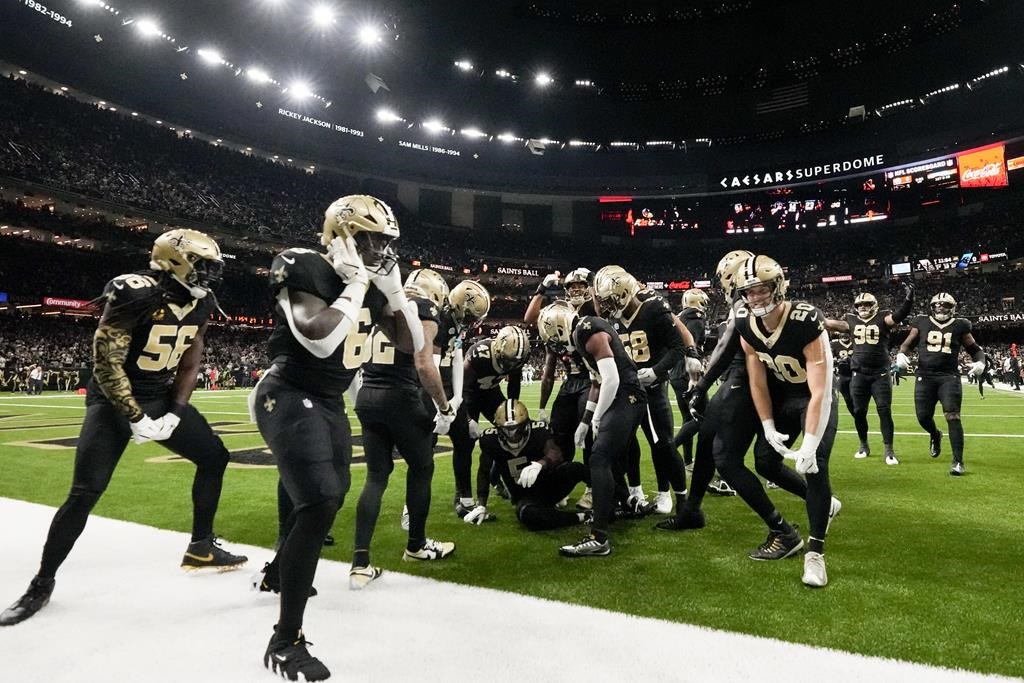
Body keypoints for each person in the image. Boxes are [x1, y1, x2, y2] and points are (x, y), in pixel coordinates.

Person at [1, 229, 247, 627]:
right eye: (204, 266)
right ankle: (41, 583)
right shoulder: (135, 292)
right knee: (85, 492)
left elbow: (191, 358)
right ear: (175, 262)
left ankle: (201, 546)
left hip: (160, 396)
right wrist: (134, 415)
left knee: (214, 457)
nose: (211, 276)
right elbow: (106, 363)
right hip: (113, 401)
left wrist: (176, 409)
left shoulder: (202, 303)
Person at [252, 195, 422, 681]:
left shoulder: (368, 283)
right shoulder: (300, 263)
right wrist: (359, 283)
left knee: (328, 497)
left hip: (327, 400)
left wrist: (395, 294)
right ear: (342, 234)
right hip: (287, 391)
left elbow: (414, 345)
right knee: (321, 499)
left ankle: (278, 572)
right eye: (372, 239)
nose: (381, 249)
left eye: (387, 241)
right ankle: (285, 641)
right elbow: (318, 337)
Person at [733, 254, 839, 587]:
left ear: (777, 287)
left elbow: (820, 389)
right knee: (764, 462)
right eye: (749, 292)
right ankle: (822, 503)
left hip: (813, 397)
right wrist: (766, 424)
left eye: (761, 290)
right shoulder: (745, 325)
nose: (755, 298)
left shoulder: (805, 319)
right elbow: (757, 381)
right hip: (783, 399)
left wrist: (809, 441)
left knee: (814, 464)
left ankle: (816, 553)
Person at [349, 269, 457, 590]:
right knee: (422, 467)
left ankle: (359, 563)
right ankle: (416, 545)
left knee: (376, 477)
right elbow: (424, 365)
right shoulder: (425, 308)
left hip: (368, 392)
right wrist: (444, 407)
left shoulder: (378, 301)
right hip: (400, 395)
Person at [537, 301, 648, 557]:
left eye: (553, 336)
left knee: (599, 458)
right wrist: (586, 421)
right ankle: (620, 508)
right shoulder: (582, 331)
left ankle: (599, 538)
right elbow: (596, 381)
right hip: (626, 395)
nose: (554, 343)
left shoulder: (587, 331)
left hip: (625, 395)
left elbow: (611, 380)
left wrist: (596, 417)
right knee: (612, 458)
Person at [593, 265, 702, 515]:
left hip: (652, 387)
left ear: (622, 294)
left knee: (662, 443)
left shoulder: (653, 307)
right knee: (627, 442)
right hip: (628, 390)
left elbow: (677, 346)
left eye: (610, 300)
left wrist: (656, 371)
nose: (606, 306)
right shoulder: (614, 317)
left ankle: (671, 494)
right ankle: (635, 491)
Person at [526, 268, 598, 509]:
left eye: (581, 286)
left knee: (588, 435)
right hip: (570, 382)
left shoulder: (587, 315)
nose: (576, 290)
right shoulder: (554, 326)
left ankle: (591, 487)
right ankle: (563, 483)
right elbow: (547, 372)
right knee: (559, 434)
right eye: (572, 287)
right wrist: (542, 407)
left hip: (592, 379)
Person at [824, 283, 914, 465]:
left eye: (865, 304)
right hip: (859, 374)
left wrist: (909, 299)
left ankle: (889, 449)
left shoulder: (883, 319)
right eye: (859, 305)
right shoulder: (850, 321)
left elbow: (899, 316)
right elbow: (826, 322)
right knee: (858, 412)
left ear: (874, 305)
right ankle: (863, 444)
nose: (862, 308)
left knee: (884, 410)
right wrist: (808, 314)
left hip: (880, 374)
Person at [896, 292, 985, 476]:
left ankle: (958, 461)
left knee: (953, 416)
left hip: (949, 377)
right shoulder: (921, 321)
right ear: (932, 306)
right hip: (925, 376)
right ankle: (935, 434)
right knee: (922, 417)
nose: (941, 308)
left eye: (945, 305)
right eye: (937, 305)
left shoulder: (960, 325)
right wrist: (901, 354)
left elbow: (975, 350)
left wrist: (981, 362)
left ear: (952, 308)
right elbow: (907, 344)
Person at [455, 324, 531, 521]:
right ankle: (462, 498)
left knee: (511, 432)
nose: (510, 365)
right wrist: (468, 418)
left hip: (491, 394)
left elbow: (514, 387)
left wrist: (512, 411)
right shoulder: (480, 355)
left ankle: (499, 479)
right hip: (469, 395)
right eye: (507, 361)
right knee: (465, 444)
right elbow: (459, 389)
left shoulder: (515, 356)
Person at [476, 400, 589, 531]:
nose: (511, 435)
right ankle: (582, 517)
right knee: (529, 515)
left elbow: (556, 453)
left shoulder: (538, 430)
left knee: (575, 468)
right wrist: (481, 505)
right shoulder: (490, 439)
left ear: (525, 424)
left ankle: (616, 497)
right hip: (525, 498)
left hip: (550, 484)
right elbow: (484, 471)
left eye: (515, 429)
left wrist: (540, 464)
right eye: (506, 430)